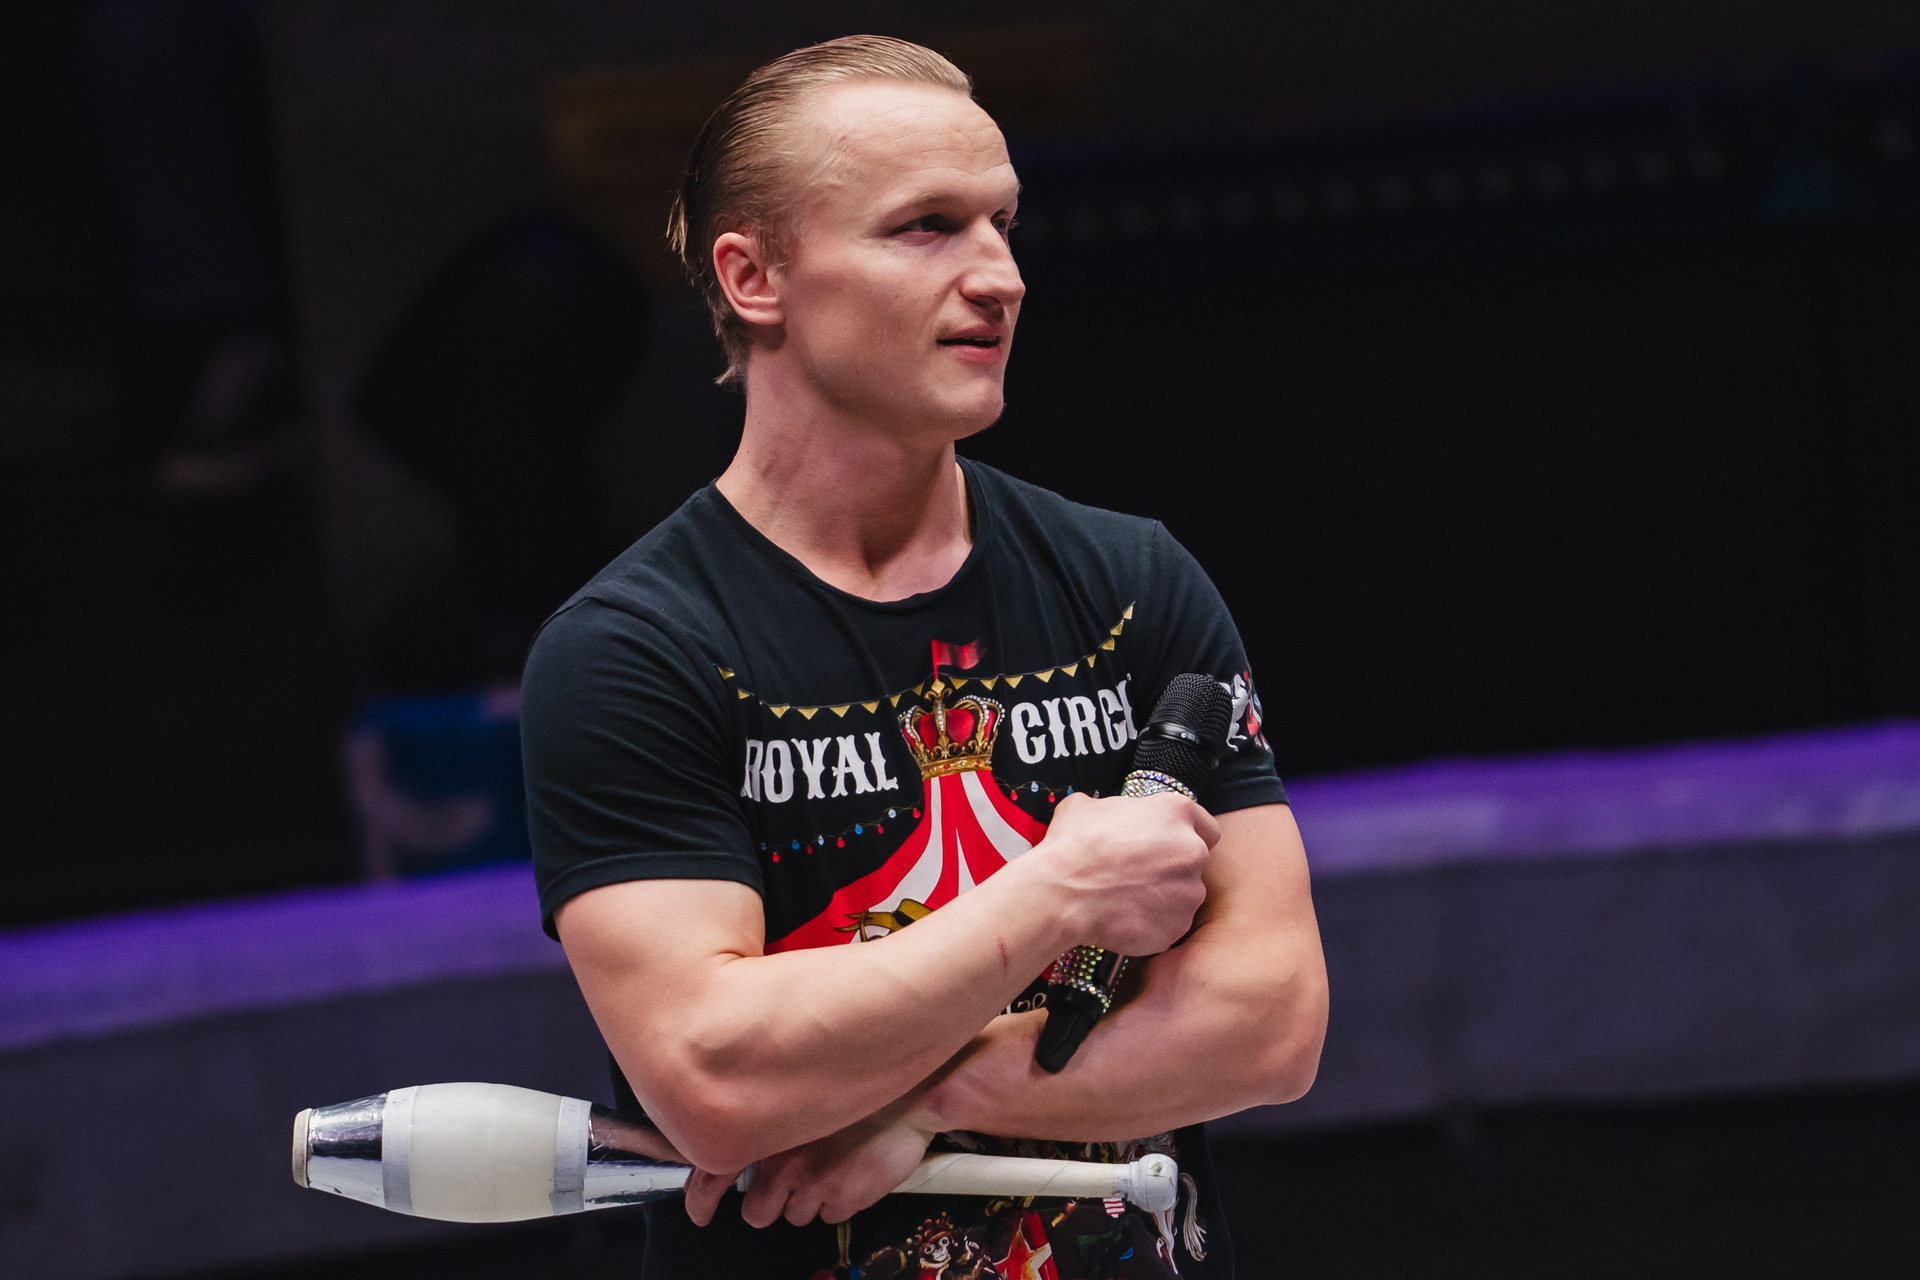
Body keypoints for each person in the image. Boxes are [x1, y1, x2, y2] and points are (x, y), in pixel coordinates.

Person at [522, 36, 1327, 1280]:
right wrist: (1058, 893)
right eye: (928, 227)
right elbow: (718, 1079)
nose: (999, 275)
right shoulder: (632, 651)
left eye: (1003, 223)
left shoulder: (1132, 582)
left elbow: (1272, 1021)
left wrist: (927, 1099)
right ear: (754, 276)